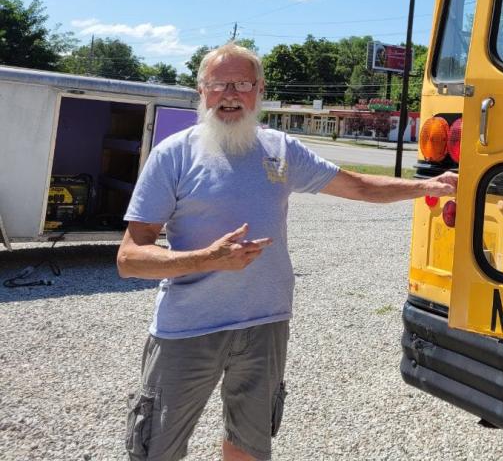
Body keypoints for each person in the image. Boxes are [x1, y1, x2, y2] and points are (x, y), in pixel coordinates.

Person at [117, 42, 457, 461]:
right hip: (187, 329)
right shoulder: (173, 155)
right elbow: (130, 257)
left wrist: (425, 186)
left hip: (266, 324)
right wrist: (206, 259)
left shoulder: (280, 149)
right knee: (157, 447)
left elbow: (357, 185)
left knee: (250, 444)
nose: (230, 94)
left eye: (242, 83)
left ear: (259, 90)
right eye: (218, 84)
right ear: (201, 91)